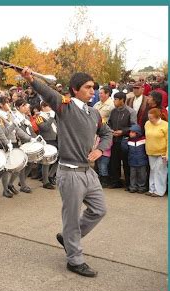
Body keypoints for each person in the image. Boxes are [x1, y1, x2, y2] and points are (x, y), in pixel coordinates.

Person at [21, 67, 112, 277]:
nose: (93, 91)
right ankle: (75, 259)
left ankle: (67, 237)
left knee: (99, 210)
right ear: (75, 89)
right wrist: (31, 79)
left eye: (93, 88)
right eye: (88, 87)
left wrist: (99, 149)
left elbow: (106, 133)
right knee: (71, 218)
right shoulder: (65, 106)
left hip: (88, 173)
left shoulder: (94, 113)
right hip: (70, 173)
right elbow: (49, 93)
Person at [0, 96, 32, 196]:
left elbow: (17, 130)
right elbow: (3, 132)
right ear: (1, 105)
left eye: (9, 102)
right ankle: (4, 189)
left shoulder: (10, 114)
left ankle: (10, 184)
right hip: (6, 143)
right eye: (6, 102)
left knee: (18, 166)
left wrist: (29, 138)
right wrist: (13, 124)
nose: (9, 104)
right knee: (6, 169)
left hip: (14, 141)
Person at [107, 92, 136, 190]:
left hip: (125, 140)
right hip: (114, 139)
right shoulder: (113, 111)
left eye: (116, 99)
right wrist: (111, 130)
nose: (114, 101)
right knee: (114, 162)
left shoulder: (131, 112)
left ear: (122, 100)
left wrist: (123, 131)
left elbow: (133, 126)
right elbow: (109, 123)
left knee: (126, 162)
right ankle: (115, 182)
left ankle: (128, 183)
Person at [144, 108, 168, 197]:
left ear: (158, 117)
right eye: (149, 117)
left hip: (162, 153)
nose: (149, 120)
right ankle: (152, 189)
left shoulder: (166, 125)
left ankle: (159, 191)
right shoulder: (147, 124)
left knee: (160, 172)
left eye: (151, 118)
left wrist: (167, 154)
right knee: (153, 171)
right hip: (150, 151)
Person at [120, 124, 148, 194]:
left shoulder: (143, 140)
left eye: (132, 132)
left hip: (142, 161)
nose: (130, 133)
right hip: (132, 162)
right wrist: (124, 142)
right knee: (132, 176)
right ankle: (133, 187)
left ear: (137, 133)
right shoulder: (129, 141)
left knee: (142, 175)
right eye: (130, 132)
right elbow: (125, 150)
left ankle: (141, 187)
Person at [38, 101, 58, 189]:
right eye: (48, 106)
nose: (50, 108)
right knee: (47, 161)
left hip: (55, 139)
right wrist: (51, 117)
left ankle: (50, 175)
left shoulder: (51, 116)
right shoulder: (40, 117)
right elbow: (45, 128)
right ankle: (45, 181)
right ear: (43, 107)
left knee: (58, 158)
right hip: (47, 140)